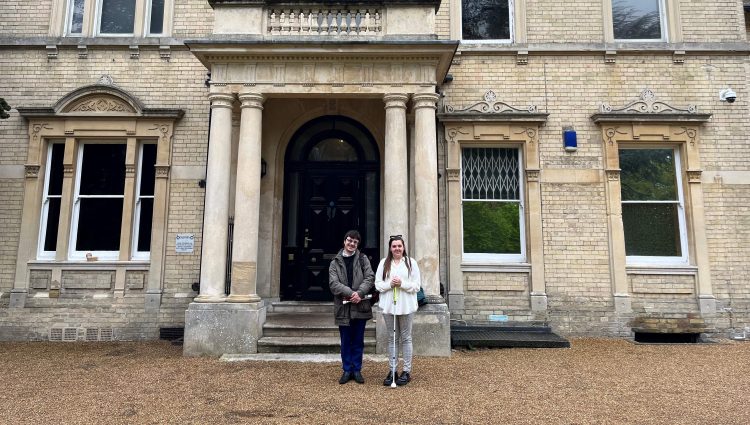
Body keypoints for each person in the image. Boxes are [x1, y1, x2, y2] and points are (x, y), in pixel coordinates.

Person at [329, 230, 375, 384]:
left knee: (358, 340)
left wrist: (360, 293)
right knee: (345, 340)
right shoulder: (335, 262)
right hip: (343, 307)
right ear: (344, 241)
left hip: (360, 305)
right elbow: (333, 284)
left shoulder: (363, 259)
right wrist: (351, 293)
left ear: (357, 244)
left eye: (355, 242)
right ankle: (346, 369)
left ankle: (357, 370)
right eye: (349, 240)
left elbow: (370, 277)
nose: (352, 244)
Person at [375, 235, 421, 386]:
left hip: (406, 306)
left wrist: (402, 283)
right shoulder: (384, 263)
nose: (397, 249)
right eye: (394, 246)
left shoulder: (410, 263)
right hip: (389, 306)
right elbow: (378, 285)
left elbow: (416, 286)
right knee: (392, 338)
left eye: (399, 246)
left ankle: (406, 371)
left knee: (406, 337)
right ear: (390, 248)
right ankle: (392, 370)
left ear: (403, 247)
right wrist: (390, 284)